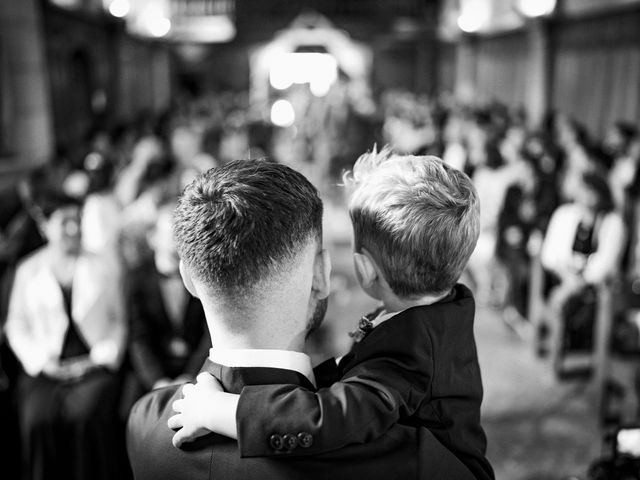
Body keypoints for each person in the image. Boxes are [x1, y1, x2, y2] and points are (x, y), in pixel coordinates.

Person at [127, 159, 476, 480]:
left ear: (189, 279)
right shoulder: (412, 460)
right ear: (321, 275)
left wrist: (221, 410)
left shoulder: (145, 423)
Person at [5, 191, 127, 480]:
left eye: (77, 220)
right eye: (64, 222)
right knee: (37, 419)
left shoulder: (104, 265)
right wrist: (40, 362)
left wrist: (99, 359)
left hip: (94, 362)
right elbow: (16, 325)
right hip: (46, 367)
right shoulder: (28, 269)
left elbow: (118, 321)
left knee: (85, 416)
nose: (73, 229)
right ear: (44, 226)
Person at [125, 202, 209, 395]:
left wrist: (190, 375)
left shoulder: (202, 274)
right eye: (172, 233)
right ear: (153, 238)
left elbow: (209, 334)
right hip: (154, 371)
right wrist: (157, 381)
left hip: (196, 369)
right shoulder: (136, 279)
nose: (178, 241)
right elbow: (138, 338)